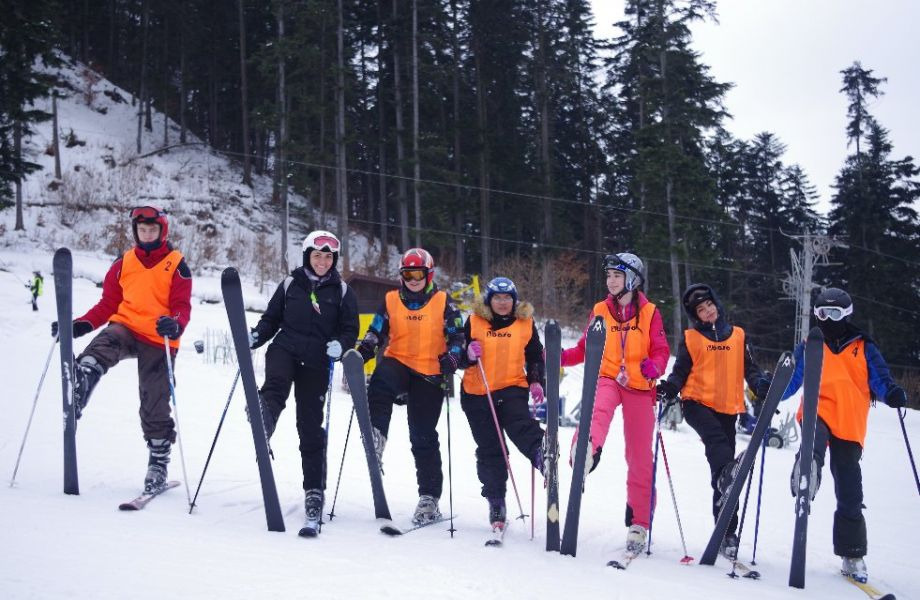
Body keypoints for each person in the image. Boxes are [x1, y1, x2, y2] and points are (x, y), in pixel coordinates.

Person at [50, 206, 192, 494]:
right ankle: (81, 382)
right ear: (135, 231)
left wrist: (175, 324)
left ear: (162, 231)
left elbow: (182, 306)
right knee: (105, 343)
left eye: (152, 230)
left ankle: (158, 462)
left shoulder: (177, 264)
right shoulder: (123, 262)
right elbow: (108, 304)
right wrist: (80, 325)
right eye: (142, 230)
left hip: (158, 336)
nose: (147, 234)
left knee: (154, 397)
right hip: (126, 326)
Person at [781, 287, 907, 584]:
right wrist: (770, 389)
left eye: (834, 313)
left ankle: (852, 553)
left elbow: (880, 379)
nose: (827, 319)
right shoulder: (811, 345)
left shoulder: (863, 347)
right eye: (822, 313)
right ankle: (807, 468)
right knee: (814, 437)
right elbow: (793, 378)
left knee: (850, 489)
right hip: (818, 410)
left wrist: (891, 392)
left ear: (847, 315)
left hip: (849, 422)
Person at [248, 230, 359, 534]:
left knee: (309, 426)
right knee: (276, 384)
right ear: (308, 256)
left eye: (328, 257)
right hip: (285, 348)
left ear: (334, 259)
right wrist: (257, 336)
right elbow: (271, 319)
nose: (322, 261)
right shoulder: (290, 284)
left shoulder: (343, 292)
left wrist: (341, 344)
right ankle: (264, 418)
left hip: (317, 360)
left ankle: (314, 491)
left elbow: (350, 329)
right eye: (317, 255)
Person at [560, 252, 669, 555]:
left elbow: (661, 350)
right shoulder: (600, 310)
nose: (610, 281)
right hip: (608, 377)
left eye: (617, 276)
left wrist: (655, 367)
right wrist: (559, 357)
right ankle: (585, 450)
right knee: (598, 410)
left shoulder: (650, 313)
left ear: (632, 279)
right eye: (608, 276)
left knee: (638, 457)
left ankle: (639, 522)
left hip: (639, 386)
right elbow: (585, 348)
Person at [656, 283, 771, 561]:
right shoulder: (692, 338)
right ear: (695, 315)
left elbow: (751, 369)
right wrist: (670, 389)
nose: (707, 311)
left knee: (724, 475)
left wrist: (761, 386)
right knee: (719, 448)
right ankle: (726, 477)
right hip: (696, 403)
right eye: (701, 309)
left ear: (717, 304)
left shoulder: (739, 336)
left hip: (728, 408)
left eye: (709, 305)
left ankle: (727, 532)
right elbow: (680, 372)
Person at [356, 248, 465, 526]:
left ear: (429, 275)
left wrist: (453, 356)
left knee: (422, 435)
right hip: (399, 361)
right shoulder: (391, 300)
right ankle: (376, 436)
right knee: (380, 382)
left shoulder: (443, 302)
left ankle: (429, 497)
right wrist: (363, 351)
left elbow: (457, 336)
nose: (413, 280)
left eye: (418, 274)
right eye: (407, 275)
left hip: (429, 372)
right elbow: (376, 331)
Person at [459, 276, 546, 530]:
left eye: (507, 298)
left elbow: (535, 355)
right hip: (477, 392)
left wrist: (536, 380)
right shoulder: (474, 321)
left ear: (514, 300)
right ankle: (496, 502)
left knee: (519, 424)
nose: (502, 302)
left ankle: (543, 455)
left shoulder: (525, 322)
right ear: (489, 300)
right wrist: (467, 354)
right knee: (491, 449)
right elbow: (457, 353)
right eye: (497, 297)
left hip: (512, 387)